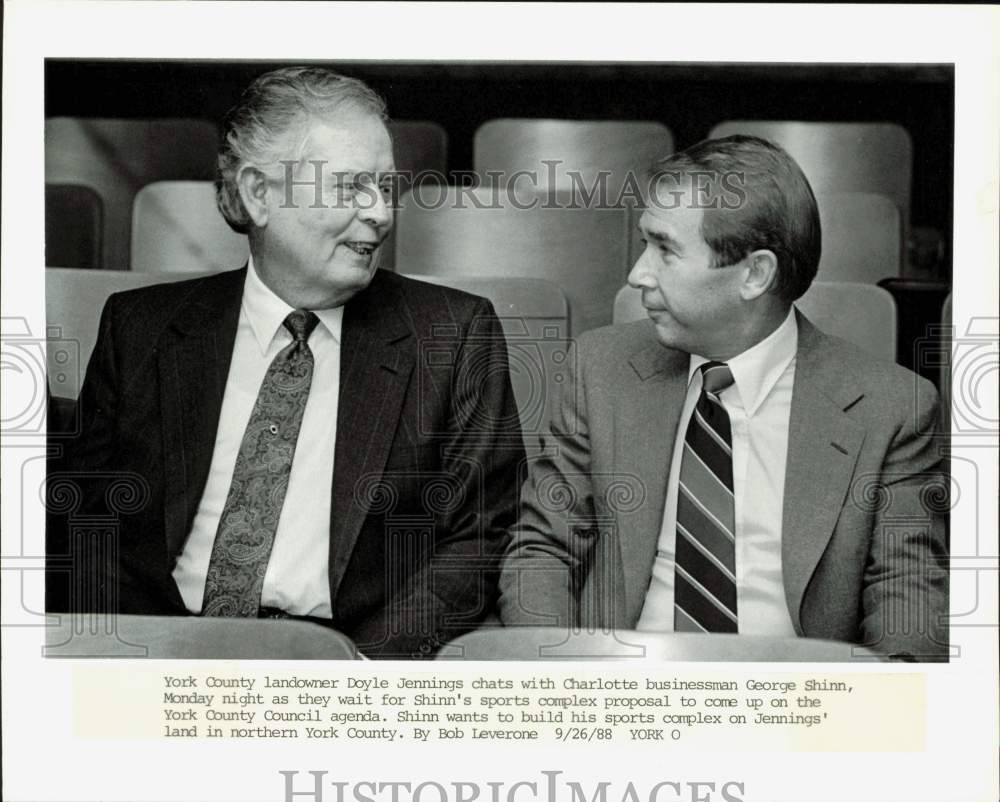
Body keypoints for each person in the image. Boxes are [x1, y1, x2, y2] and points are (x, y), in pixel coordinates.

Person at [46, 67, 525, 659]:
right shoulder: (139, 329)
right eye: (351, 186)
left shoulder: (452, 336)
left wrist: (360, 677)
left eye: (385, 186)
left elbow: (476, 541)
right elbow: (93, 528)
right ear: (258, 193)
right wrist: (145, 656)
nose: (380, 213)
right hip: (159, 657)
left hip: (349, 664)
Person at [498, 135, 948, 661]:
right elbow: (542, 550)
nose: (637, 273)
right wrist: (558, 681)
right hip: (623, 700)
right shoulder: (600, 370)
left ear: (754, 274)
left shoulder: (891, 408)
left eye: (664, 249)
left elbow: (907, 596)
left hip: (796, 709)